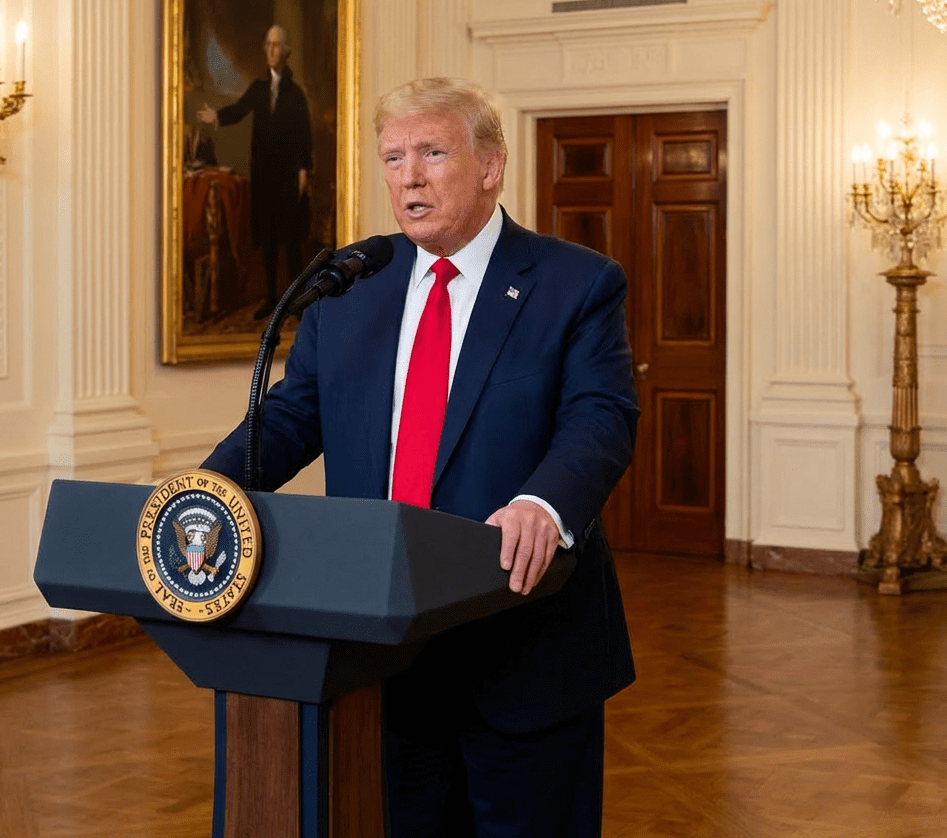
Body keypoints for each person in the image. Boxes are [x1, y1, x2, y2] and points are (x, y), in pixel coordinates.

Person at [203, 77, 638, 838]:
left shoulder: (575, 283)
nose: (410, 177)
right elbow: (293, 417)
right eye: (394, 157)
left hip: (522, 639)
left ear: (490, 166)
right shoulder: (350, 292)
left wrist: (543, 503)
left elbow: (599, 417)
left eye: (432, 153)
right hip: (384, 649)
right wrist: (203, 492)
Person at [198, 24, 312, 318]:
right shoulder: (259, 89)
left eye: (278, 45)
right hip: (265, 176)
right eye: (269, 44)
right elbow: (239, 110)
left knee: (291, 241)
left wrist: (303, 170)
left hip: (288, 177)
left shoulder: (295, 94)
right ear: (265, 49)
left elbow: (304, 134)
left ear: (286, 51)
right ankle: (272, 299)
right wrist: (216, 116)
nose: (272, 50)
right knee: (269, 239)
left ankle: (297, 302)